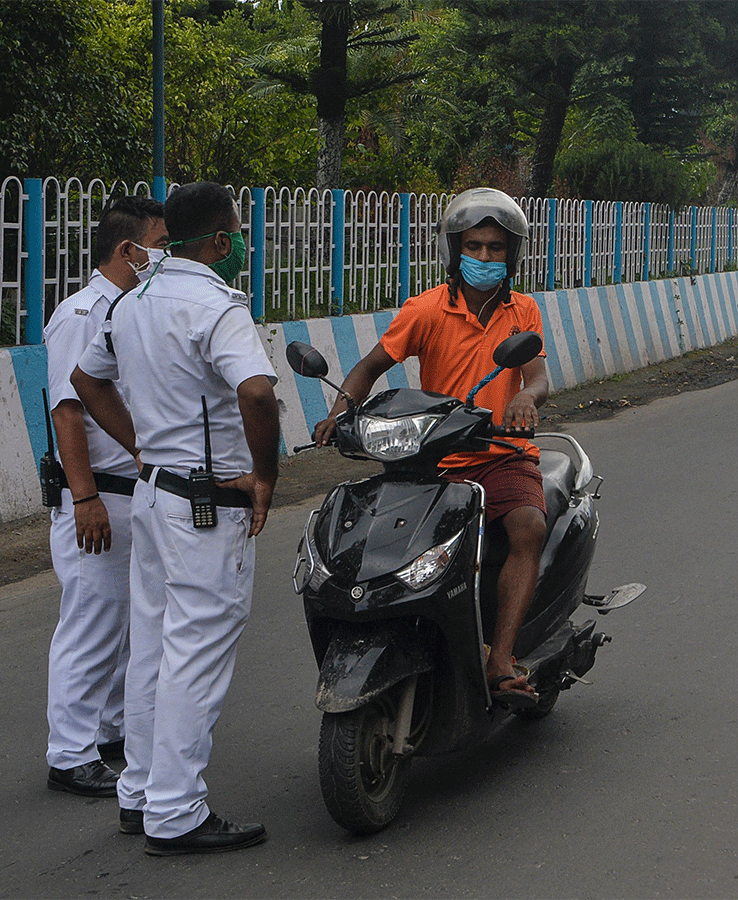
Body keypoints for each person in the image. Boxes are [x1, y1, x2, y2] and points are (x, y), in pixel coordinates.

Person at [72, 181, 280, 856]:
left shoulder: (133, 302)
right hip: (205, 505)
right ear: (220, 240)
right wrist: (266, 475)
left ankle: (140, 795)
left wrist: (139, 444)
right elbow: (256, 390)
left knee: (155, 650)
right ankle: (177, 812)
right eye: (237, 233)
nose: (241, 242)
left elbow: (86, 380)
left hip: (156, 494)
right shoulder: (218, 307)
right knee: (196, 653)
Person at [313, 187, 548, 709]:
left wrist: (526, 400)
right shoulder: (425, 309)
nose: (484, 257)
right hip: (431, 459)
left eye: (495, 248)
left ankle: (501, 659)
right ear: (454, 250)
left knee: (528, 526)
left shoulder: (523, 310)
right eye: (474, 246)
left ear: (512, 254)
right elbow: (371, 367)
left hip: (499, 454)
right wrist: (338, 413)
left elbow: (538, 376)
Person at [43, 196, 168, 798]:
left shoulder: (130, 309)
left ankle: (109, 733)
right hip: (97, 496)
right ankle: (69, 754)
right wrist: (84, 496)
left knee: (126, 624)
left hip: (132, 490)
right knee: (90, 625)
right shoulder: (81, 315)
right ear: (129, 251)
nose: (163, 255)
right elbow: (68, 413)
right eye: (159, 244)